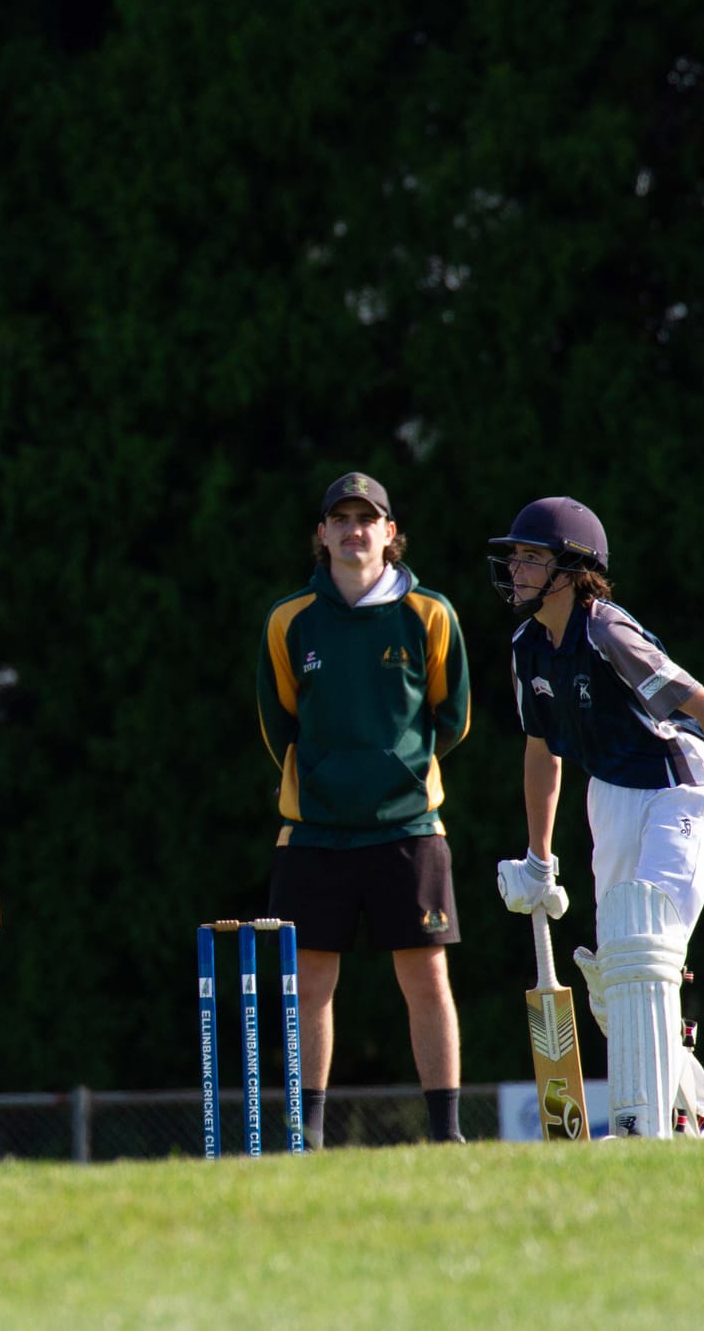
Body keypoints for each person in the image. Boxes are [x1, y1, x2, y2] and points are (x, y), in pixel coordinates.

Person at [487, 497, 704, 1139]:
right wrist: (539, 857)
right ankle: (686, 1114)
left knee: (646, 947)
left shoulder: (607, 633)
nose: (516, 568)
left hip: (676, 784)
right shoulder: (527, 647)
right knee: (614, 980)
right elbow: (542, 751)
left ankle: (647, 1125)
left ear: (573, 570)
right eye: (515, 556)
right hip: (610, 793)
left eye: (531, 557)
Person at [255, 472, 472, 1147]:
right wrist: (322, 781)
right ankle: (307, 1132)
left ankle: (446, 1131)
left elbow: (453, 716)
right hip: (315, 830)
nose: (354, 530)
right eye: (340, 518)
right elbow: (278, 725)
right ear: (321, 534)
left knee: (427, 976)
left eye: (367, 518)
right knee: (310, 980)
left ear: (389, 531)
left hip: (408, 827)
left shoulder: (429, 613)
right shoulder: (290, 620)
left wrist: (400, 775)